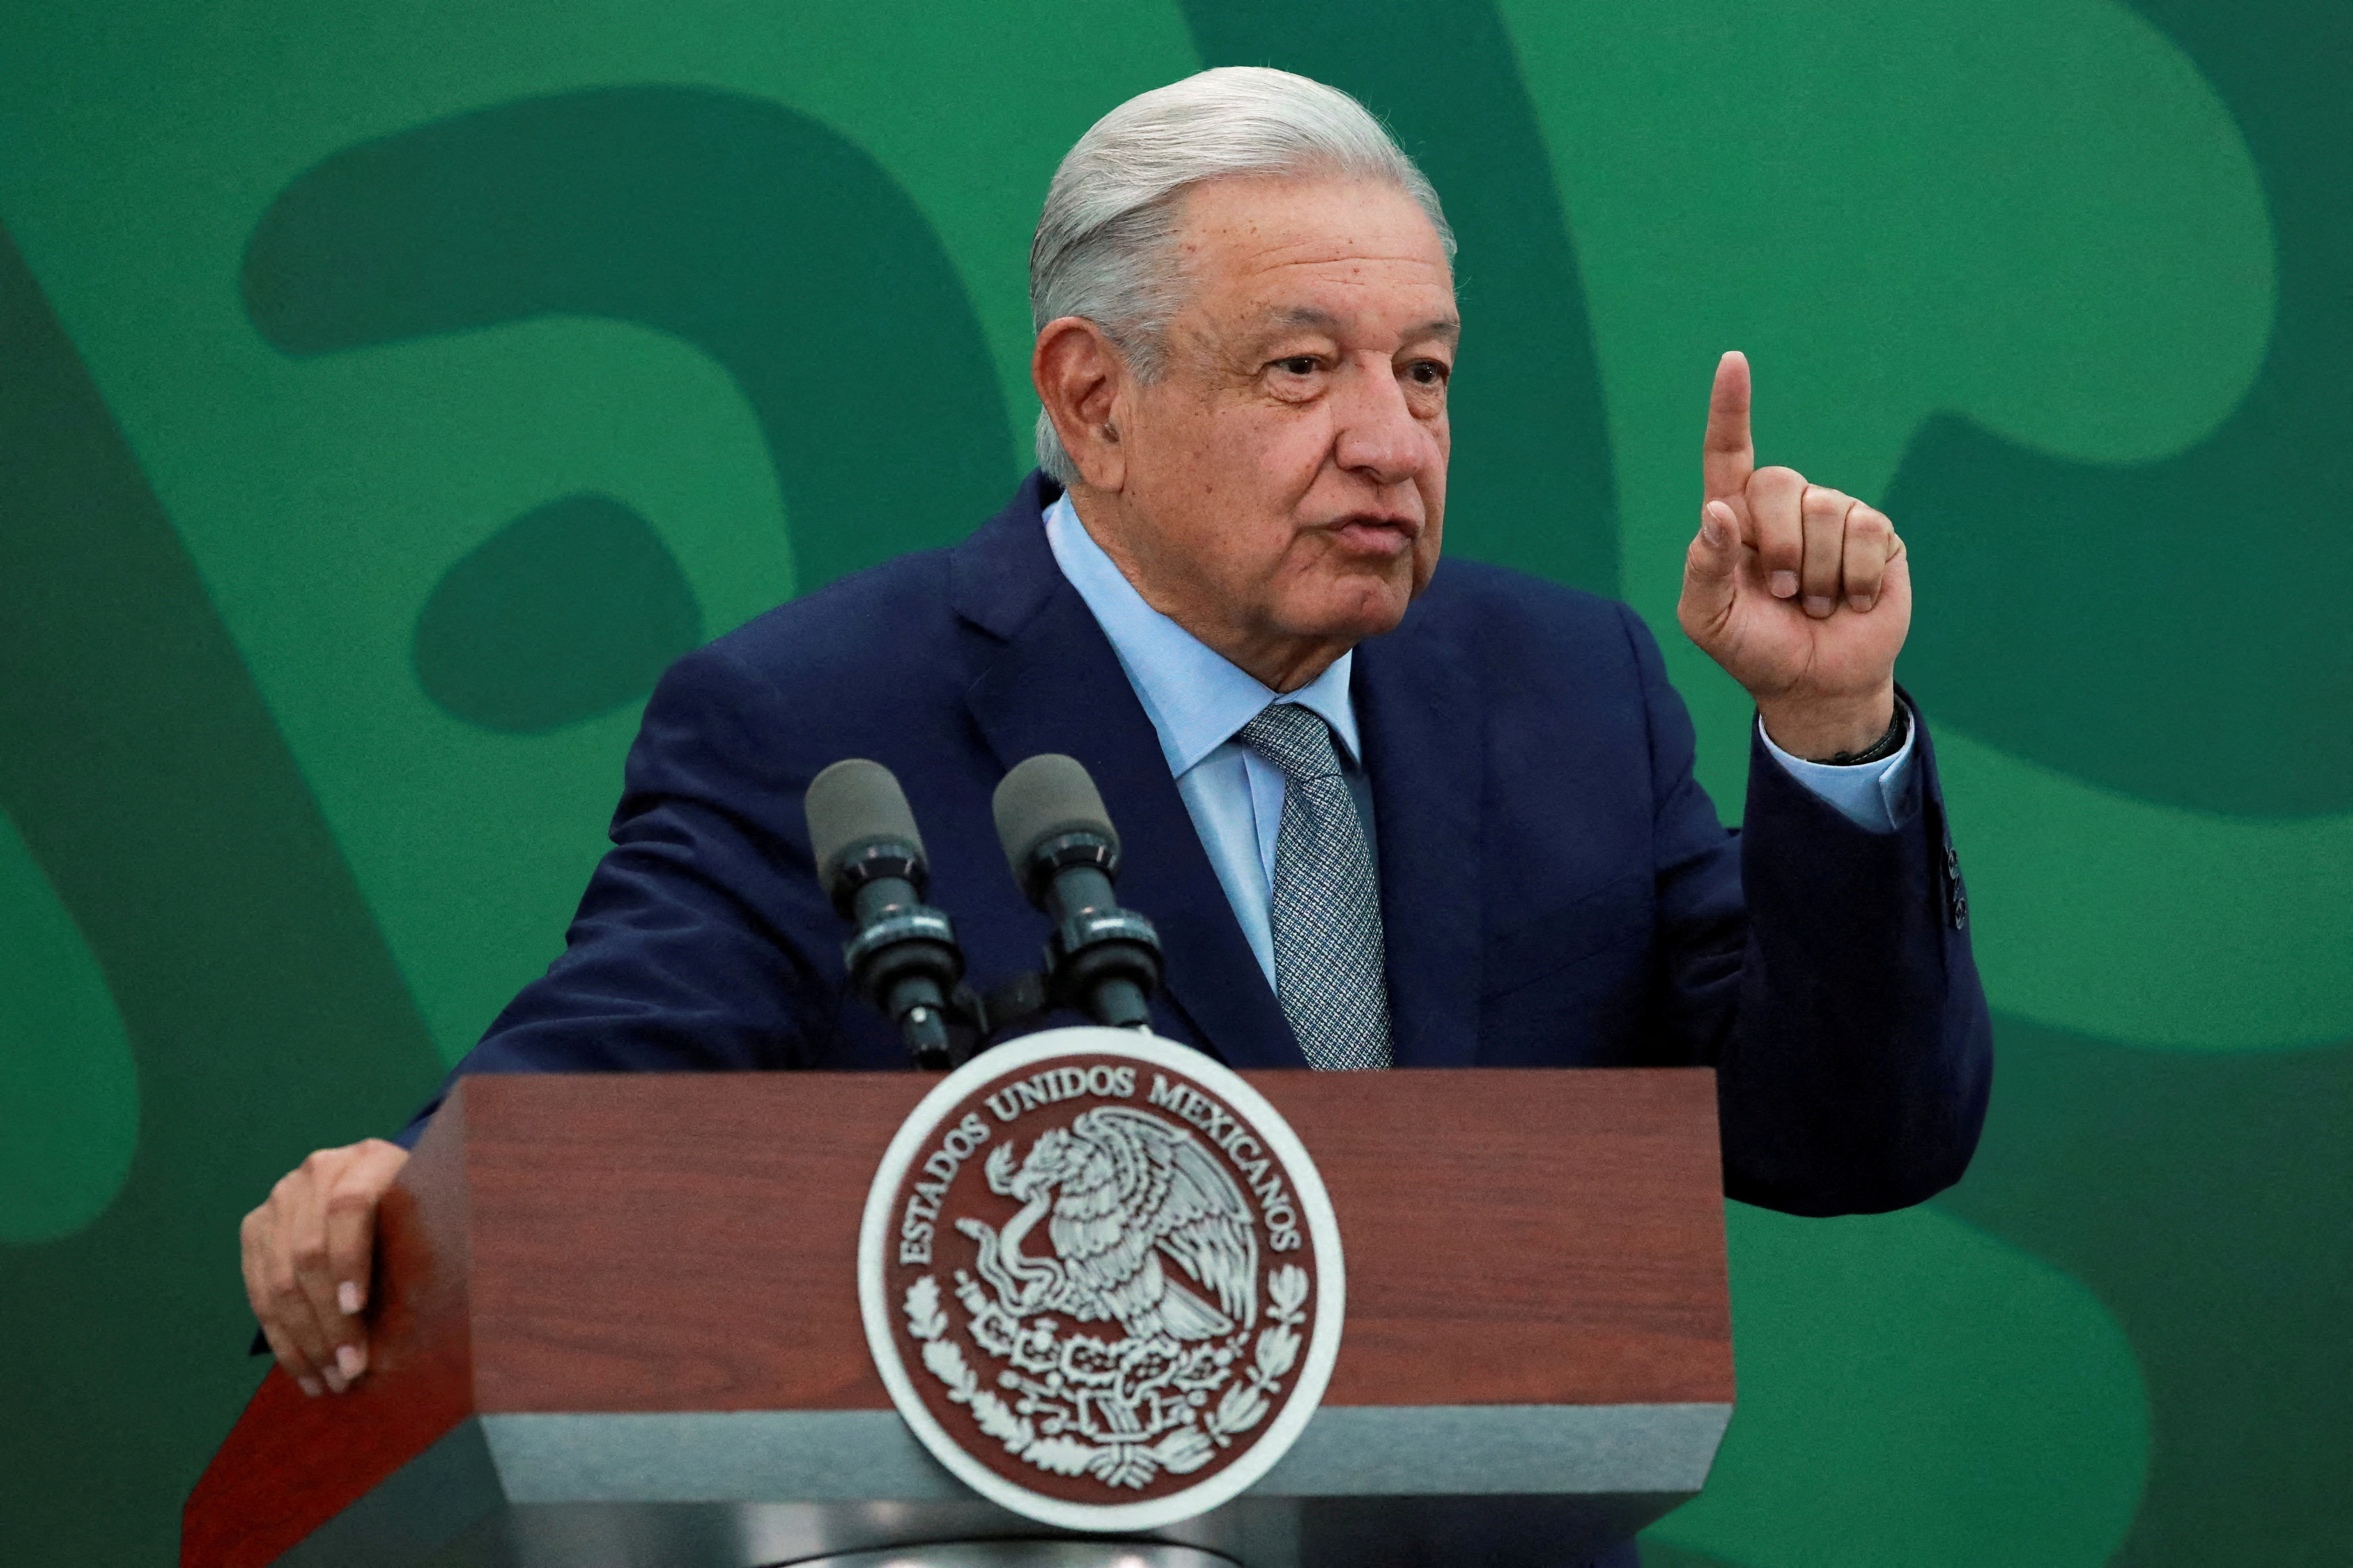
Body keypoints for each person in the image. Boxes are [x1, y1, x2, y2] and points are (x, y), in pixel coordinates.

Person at [242, 69, 1990, 1490]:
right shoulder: (817, 720)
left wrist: (1832, 730)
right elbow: (580, 1113)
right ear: (1094, 402)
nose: (1390, 438)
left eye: (1426, 372)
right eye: (1303, 367)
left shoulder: (1564, 686)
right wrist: (394, 1197)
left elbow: (1851, 1132)